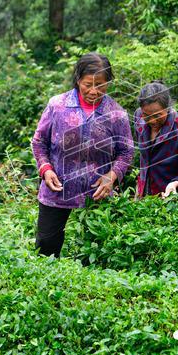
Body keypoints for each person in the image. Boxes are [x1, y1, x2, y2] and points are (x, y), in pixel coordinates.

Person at [31, 52, 134, 257]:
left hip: (96, 195)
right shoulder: (57, 105)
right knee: (46, 249)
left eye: (101, 85)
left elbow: (126, 152)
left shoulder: (116, 114)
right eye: (88, 84)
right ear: (78, 80)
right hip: (57, 191)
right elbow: (39, 142)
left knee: (96, 254)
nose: (94, 91)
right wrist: (46, 169)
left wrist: (111, 177)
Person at [133, 81, 178, 199]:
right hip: (146, 193)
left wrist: (175, 183)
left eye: (157, 115)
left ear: (167, 108)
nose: (152, 121)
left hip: (173, 197)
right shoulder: (139, 117)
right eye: (147, 116)